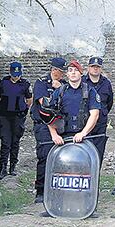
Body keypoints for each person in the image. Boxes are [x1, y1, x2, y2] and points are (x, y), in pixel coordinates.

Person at [31, 57, 67, 203]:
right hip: (43, 125)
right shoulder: (41, 82)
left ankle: (56, 189)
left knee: (60, 159)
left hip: (60, 124)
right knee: (44, 157)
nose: (64, 74)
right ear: (54, 70)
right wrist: (57, 91)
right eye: (61, 71)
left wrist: (60, 88)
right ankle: (40, 191)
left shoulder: (64, 84)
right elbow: (45, 104)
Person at [46, 60, 101, 146]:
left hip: (84, 136)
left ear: (81, 73)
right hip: (62, 137)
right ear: (67, 74)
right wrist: (54, 135)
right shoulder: (59, 92)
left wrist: (83, 133)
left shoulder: (90, 91)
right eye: (70, 70)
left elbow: (95, 115)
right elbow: (48, 115)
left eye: (76, 70)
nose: (73, 73)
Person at [0, 61, 32, 179]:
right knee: (5, 142)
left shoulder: (25, 84)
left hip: (18, 116)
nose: (16, 76)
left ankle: (13, 167)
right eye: (14, 74)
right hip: (4, 116)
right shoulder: (3, 83)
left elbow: (29, 100)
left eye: (18, 74)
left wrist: (24, 109)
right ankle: (3, 168)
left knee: (15, 141)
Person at [83, 56, 114, 162]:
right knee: (84, 151)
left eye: (97, 67)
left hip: (100, 123)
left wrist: (103, 113)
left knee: (98, 152)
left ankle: (96, 177)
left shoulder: (106, 83)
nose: (95, 69)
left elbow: (109, 102)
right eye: (93, 66)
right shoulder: (82, 82)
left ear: (101, 68)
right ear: (88, 68)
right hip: (84, 121)